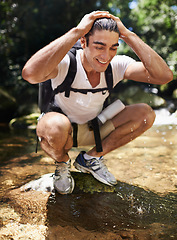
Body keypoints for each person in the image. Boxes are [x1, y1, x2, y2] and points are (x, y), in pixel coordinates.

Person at [22, 11, 173, 194]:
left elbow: (164, 76)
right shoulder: (66, 63)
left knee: (145, 114)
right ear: (84, 42)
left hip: (95, 128)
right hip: (61, 132)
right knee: (55, 125)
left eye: (113, 47)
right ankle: (62, 163)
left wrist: (129, 35)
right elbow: (30, 74)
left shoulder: (117, 65)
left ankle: (91, 158)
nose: (106, 56)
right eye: (99, 46)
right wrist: (77, 31)